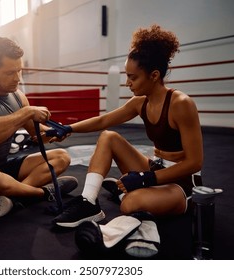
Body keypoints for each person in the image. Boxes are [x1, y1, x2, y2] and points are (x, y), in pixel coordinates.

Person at [53, 24, 203, 228]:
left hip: (181, 183)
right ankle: (88, 202)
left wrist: (145, 178)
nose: (127, 83)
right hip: (155, 169)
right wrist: (68, 128)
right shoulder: (140, 102)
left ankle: (131, 193)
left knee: (130, 204)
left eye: (133, 77)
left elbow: (195, 162)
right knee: (108, 136)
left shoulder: (181, 104)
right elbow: (103, 121)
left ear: (155, 75)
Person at [0, 37, 78, 218]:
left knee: (61, 157)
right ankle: (41, 193)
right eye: (10, 73)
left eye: (19, 71)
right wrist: (26, 112)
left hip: (3, 167)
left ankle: (13, 195)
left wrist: (53, 133)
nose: (17, 78)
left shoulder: (18, 97)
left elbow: (37, 134)